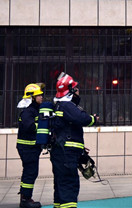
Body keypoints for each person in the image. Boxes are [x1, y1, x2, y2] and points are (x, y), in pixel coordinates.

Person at [51, 73, 99, 208]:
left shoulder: (58, 105)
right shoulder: (67, 105)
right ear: (71, 90)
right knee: (69, 184)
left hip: (60, 152)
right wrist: (94, 119)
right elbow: (82, 118)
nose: (78, 91)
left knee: (60, 183)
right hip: (66, 153)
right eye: (76, 89)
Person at [16, 83, 45, 208]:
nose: (42, 97)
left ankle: (25, 197)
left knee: (29, 172)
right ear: (32, 97)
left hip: (31, 147)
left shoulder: (34, 110)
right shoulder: (28, 111)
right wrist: (44, 126)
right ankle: (26, 200)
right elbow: (30, 127)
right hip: (27, 148)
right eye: (39, 95)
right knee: (30, 172)